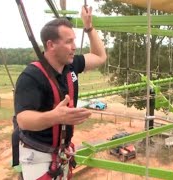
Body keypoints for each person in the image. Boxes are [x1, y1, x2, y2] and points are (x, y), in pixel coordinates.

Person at [12, 5, 106, 180]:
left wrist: (89, 27)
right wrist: (56, 117)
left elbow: (100, 56)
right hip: (38, 156)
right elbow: (23, 120)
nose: (74, 47)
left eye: (74, 41)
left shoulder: (71, 66)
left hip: (60, 154)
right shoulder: (32, 76)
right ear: (51, 45)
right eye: (68, 41)